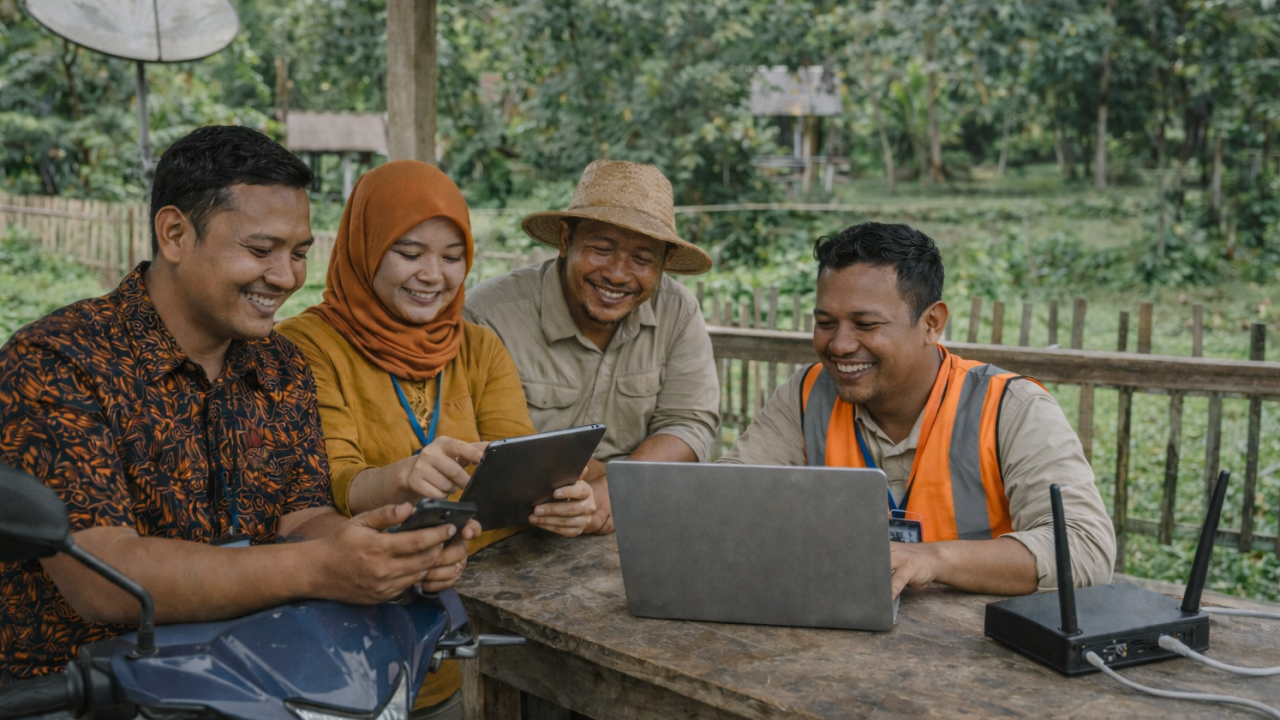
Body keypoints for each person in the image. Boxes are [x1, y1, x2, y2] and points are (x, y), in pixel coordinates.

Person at [0, 127, 473, 688]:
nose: (286, 277)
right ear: (175, 234)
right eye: (260, 250)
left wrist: (388, 551)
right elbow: (101, 575)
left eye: (299, 254)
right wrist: (319, 567)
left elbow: (301, 517)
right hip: (81, 695)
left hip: (252, 679)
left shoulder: (281, 365)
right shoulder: (57, 362)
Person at [275, 160, 595, 717]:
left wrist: (561, 500)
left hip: (459, 644)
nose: (433, 275)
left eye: (452, 257)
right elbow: (330, 483)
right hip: (346, 648)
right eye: (408, 252)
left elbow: (517, 466)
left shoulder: (478, 348)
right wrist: (402, 477)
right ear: (364, 248)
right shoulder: (305, 345)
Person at [720, 222, 1116, 598]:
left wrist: (934, 559)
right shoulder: (805, 396)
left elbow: (1085, 548)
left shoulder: (1012, 408)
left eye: (866, 324)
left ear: (932, 323)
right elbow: (723, 501)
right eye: (826, 323)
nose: (840, 344)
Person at [465, 160, 720, 534]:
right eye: (601, 248)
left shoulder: (678, 312)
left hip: (629, 513)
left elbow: (689, 421)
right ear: (565, 239)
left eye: (642, 259)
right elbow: (470, 440)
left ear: (665, 263)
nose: (617, 274)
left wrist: (615, 489)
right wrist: (591, 485)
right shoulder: (489, 315)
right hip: (503, 528)